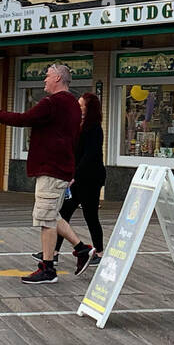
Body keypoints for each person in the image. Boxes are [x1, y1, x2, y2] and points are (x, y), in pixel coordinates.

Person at [0, 61, 92, 284]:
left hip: (51, 168)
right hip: (60, 168)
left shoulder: (53, 103)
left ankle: (48, 268)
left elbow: (24, 119)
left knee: (45, 219)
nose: (44, 79)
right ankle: (81, 250)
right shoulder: (71, 104)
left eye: (48, 75)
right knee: (51, 214)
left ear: (58, 79)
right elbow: (72, 139)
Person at [54, 92, 105, 266]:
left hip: (90, 179)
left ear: (89, 109)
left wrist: (74, 175)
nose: (78, 107)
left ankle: (99, 252)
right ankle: (53, 251)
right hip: (77, 177)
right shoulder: (78, 125)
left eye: (81, 105)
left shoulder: (95, 128)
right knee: (63, 214)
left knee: (90, 215)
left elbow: (90, 156)